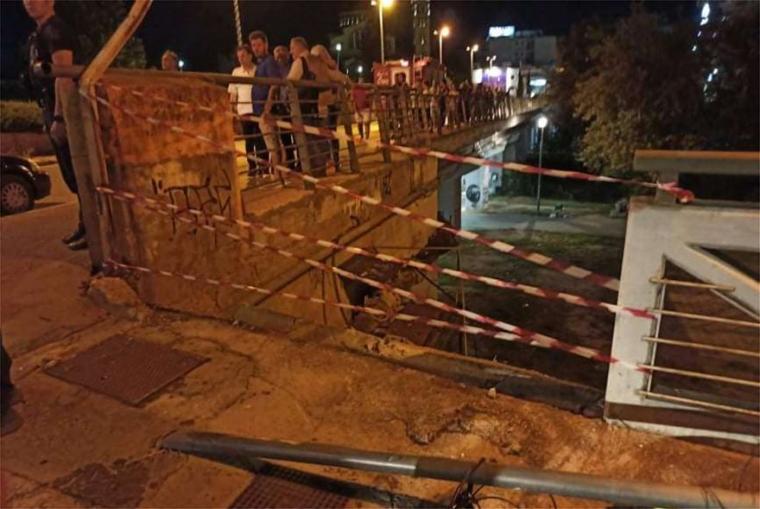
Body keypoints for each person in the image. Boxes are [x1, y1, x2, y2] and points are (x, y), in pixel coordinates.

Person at [23, 0, 85, 250]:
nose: (29, 2)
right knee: (72, 174)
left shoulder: (55, 30)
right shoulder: (40, 33)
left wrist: (60, 118)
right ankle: (86, 225)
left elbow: (64, 74)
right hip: (51, 107)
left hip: (65, 110)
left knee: (79, 172)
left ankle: (93, 229)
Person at [287, 37, 347, 177]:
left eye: (292, 48)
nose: (291, 52)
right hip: (320, 108)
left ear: (299, 47)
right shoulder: (319, 62)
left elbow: (289, 83)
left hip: (304, 108)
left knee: (307, 142)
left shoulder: (300, 62)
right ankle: (322, 170)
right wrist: (348, 83)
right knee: (320, 140)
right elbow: (338, 77)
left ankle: (312, 175)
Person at [310, 44, 348, 172]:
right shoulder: (321, 68)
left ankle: (331, 162)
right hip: (321, 107)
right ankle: (330, 162)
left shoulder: (326, 68)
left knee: (328, 135)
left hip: (328, 107)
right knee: (326, 135)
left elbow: (343, 79)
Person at [249, 30, 281, 178]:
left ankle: (278, 173)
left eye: (258, 45)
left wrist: (268, 106)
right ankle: (278, 172)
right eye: (253, 45)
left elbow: (274, 84)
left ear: (266, 44)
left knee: (273, 144)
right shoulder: (261, 64)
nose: (256, 48)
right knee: (271, 143)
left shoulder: (269, 62)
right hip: (260, 109)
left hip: (266, 111)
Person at [228, 45, 256, 174]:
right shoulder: (236, 72)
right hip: (243, 111)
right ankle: (252, 166)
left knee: (260, 140)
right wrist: (233, 110)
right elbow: (233, 93)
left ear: (250, 55)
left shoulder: (257, 70)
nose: (241, 59)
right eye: (239, 57)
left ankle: (264, 167)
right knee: (249, 140)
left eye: (243, 55)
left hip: (257, 109)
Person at [272, 45, 296, 169]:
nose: (280, 53)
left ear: (288, 54)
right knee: (285, 137)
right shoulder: (274, 70)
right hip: (281, 107)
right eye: (277, 51)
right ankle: (291, 162)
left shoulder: (293, 67)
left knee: (297, 135)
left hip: (293, 105)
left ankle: (301, 163)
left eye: (282, 51)